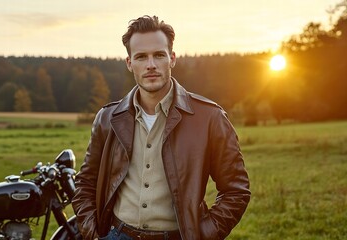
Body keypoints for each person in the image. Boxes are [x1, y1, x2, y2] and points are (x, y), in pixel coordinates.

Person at [72, 15, 251, 240]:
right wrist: (94, 234)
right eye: (141, 57)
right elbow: (85, 183)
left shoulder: (210, 118)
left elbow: (236, 191)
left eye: (159, 55)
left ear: (172, 58)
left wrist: (204, 234)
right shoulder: (107, 118)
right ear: (129, 63)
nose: (151, 65)